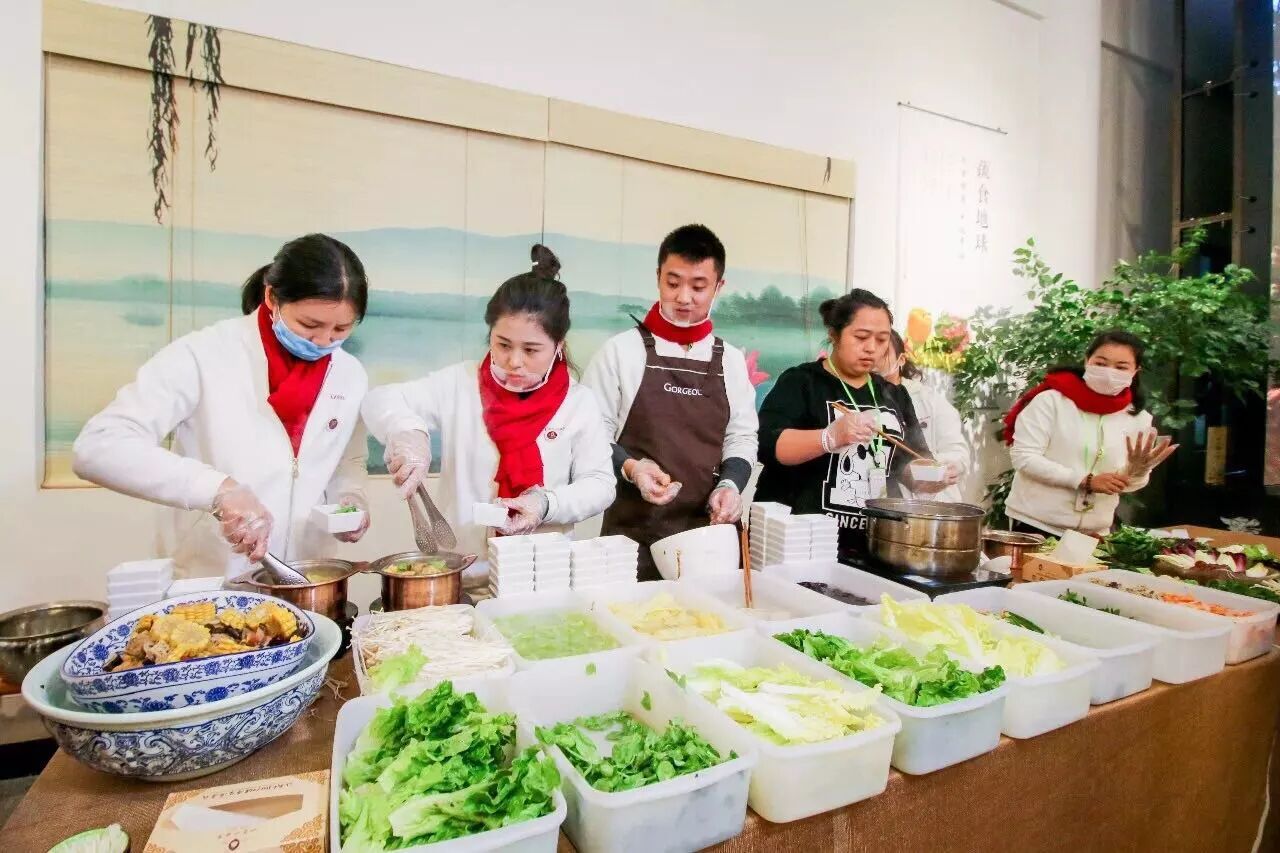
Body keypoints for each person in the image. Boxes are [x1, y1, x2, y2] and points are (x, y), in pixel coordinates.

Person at [73, 233, 372, 579]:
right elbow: (98, 447)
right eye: (309, 325)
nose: (323, 341)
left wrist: (351, 498)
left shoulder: (349, 375)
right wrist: (218, 490)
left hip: (304, 578)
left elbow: (347, 461)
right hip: (210, 579)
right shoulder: (204, 355)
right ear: (272, 297)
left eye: (341, 329)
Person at [362, 245, 615, 564]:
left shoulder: (578, 403)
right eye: (503, 344)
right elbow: (379, 399)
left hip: (541, 571)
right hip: (462, 568)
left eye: (531, 350)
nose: (514, 361)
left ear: (558, 346)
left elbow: (600, 485)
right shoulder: (460, 383)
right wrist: (407, 431)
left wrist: (545, 503)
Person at [582, 224, 758, 580]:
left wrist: (730, 485)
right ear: (658, 277)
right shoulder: (620, 352)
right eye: (673, 283)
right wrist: (633, 468)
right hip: (631, 539)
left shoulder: (730, 361)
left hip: (706, 539)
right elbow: (590, 434)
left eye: (698, 286)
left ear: (719, 286)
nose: (683, 297)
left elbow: (741, 437)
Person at [756, 289, 941, 558]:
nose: (871, 348)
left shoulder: (894, 394)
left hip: (874, 542)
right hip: (803, 541)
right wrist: (828, 438)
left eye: (882, 340)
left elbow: (909, 463)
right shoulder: (802, 382)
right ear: (834, 334)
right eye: (861, 337)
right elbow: (768, 445)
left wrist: (933, 477)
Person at [1003, 329, 1178, 537]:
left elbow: (1127, 484)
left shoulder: (1138, 418)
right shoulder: (1051, 402)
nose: (1109, 372)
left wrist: (1137, 471)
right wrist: (1084, 480)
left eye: (1121, 367)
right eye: (1101, 363)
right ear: (1087, 360)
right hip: (1037, 524)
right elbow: (1024, 458)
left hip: (1094, 532)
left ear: (1135, 371)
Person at [877, 330, 967, 502]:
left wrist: (930, 468)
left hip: (931, 504)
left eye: (883, 352)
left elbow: (957, 452)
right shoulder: (860, 399)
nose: (874, 357)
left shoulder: (930, 400)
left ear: (901, 360)